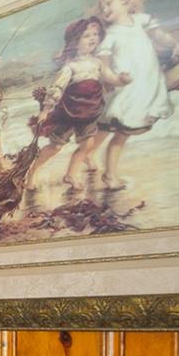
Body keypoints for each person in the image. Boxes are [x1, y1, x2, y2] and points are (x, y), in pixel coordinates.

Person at [25, 16, 122, 210]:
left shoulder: (97, 63)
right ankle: (33, 171)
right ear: (75, 41)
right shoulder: (71, 66)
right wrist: (46, 109)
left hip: (89, 113)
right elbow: (56, 89)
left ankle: (70, 174)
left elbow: (108, 79)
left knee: (87, 146)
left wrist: (121, 80)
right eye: (87, 35)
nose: (92, 38)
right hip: (68, 113)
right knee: (55, 147)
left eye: (95, 34)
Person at [93, 0, 179, 190]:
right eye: (102, 5)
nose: (104, 9)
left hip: (146, 87)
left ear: (126, 2)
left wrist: (175, 43)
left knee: (113, 131)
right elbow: (103, 69)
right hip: (127, 93)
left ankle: (90, 157)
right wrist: (116, 79)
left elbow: (159, 36)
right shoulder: (110, 35)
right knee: (121, 134)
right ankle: (109, 175)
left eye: (109, 3)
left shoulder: (141, 20)